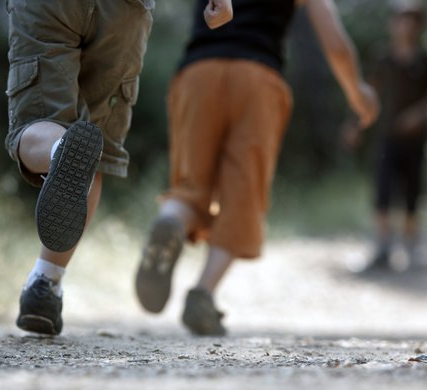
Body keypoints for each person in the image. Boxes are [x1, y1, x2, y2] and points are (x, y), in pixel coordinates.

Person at [135, 0, 379, 336]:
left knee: (190, 188)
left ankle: (170, 220)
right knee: (243, 197)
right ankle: (203, 293)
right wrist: (358, 92)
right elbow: (335, 43)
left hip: (199, 72)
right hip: (257, 78)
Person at [4, 0, 233, 336]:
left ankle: (58, 150)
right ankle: (47, 279)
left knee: (40, 121)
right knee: (94, 146)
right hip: (125, 9)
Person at [345, 0, 427, 272]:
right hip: (387, 137)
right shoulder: (383, 59)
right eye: (399, 19)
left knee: (413, 192)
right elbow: (368, 92)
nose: (403, 26)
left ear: (419, 25)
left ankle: (412, 246)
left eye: (409, 20)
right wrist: (354, 124)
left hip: (417, 139)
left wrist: (417, 115)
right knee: (382, 191)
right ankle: (382, 248)